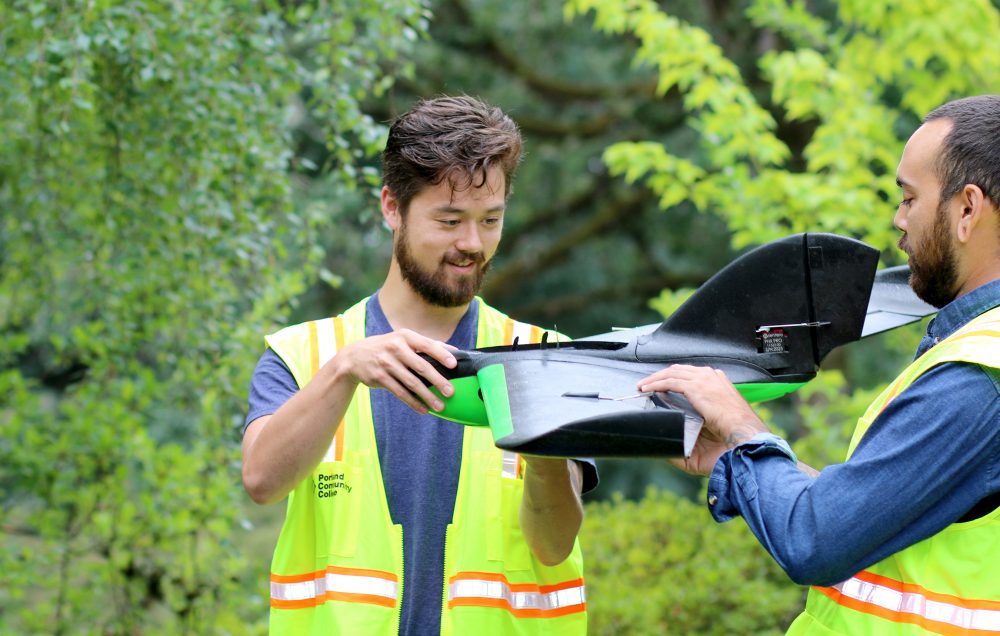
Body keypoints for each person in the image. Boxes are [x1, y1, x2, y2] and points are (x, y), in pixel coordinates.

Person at [638, 94, 1000, 635]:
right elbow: (865, 514)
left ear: (967, 209)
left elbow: (817, 539)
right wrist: (732, 461)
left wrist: (744, 430)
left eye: (909, 198)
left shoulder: (979, 378)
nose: (899, 220)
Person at [241, 95, 595, 635]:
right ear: (391, 207)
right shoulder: (303, 355)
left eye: (490, 220)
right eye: (449, 220)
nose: (471, 244)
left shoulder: (547, 355)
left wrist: (541, 441)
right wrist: (343, 371)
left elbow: (552, 547)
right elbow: (262, 480)